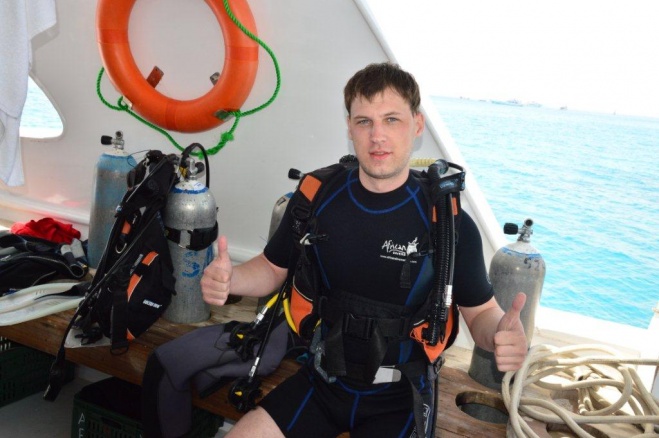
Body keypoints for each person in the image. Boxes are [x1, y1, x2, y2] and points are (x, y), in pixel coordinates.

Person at [201, 62, 528, 438]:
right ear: (349, 127)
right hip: (322, 380)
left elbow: (481, 312)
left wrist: (499, 334)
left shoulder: (448, 223)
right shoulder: (316, 198)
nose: (377, 136)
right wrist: (231, 279)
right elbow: (272, 268)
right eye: (364, 122)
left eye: (391, 120)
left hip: (400, 397)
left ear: (417, 125)